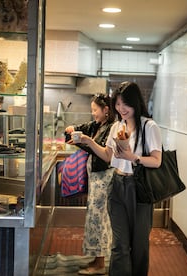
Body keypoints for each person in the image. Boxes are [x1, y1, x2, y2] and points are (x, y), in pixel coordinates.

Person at [74, 82, 162, 276]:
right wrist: (89, 141)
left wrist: (133, 157)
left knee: (139, 245)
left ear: (136, 103)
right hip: (117, 185)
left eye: (126, 104)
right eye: (118, 104)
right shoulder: (117, 126)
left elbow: (156, 161)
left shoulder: (149, 126)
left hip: (139, 188)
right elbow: (107, 156)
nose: (121, 109)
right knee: (119, 245)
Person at [65, 93, 116, 275]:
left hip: (104, 178)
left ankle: (100, 264)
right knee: (94, 218)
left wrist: (85, 141)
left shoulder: (112, 128)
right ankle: (96, 258)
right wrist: (73, 129)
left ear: (106, 110)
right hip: (95, 178)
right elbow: (83, 128)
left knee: (98, 219)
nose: (93, 113)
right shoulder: (98, 124)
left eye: (95, 110)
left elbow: (103, 153)